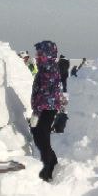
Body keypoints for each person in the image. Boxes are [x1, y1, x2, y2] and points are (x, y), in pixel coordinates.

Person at [30, 40, 64, 183]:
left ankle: (48, 169)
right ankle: (52, 164)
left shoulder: (49, 69)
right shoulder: (44, 67)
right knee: (39, 136)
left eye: (41, 54)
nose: (38, 57)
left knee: (42, 138)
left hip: (47, 109)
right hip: (41, 108)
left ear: (48, 54)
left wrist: (37, 109)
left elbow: (46, 93)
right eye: (38, 54)